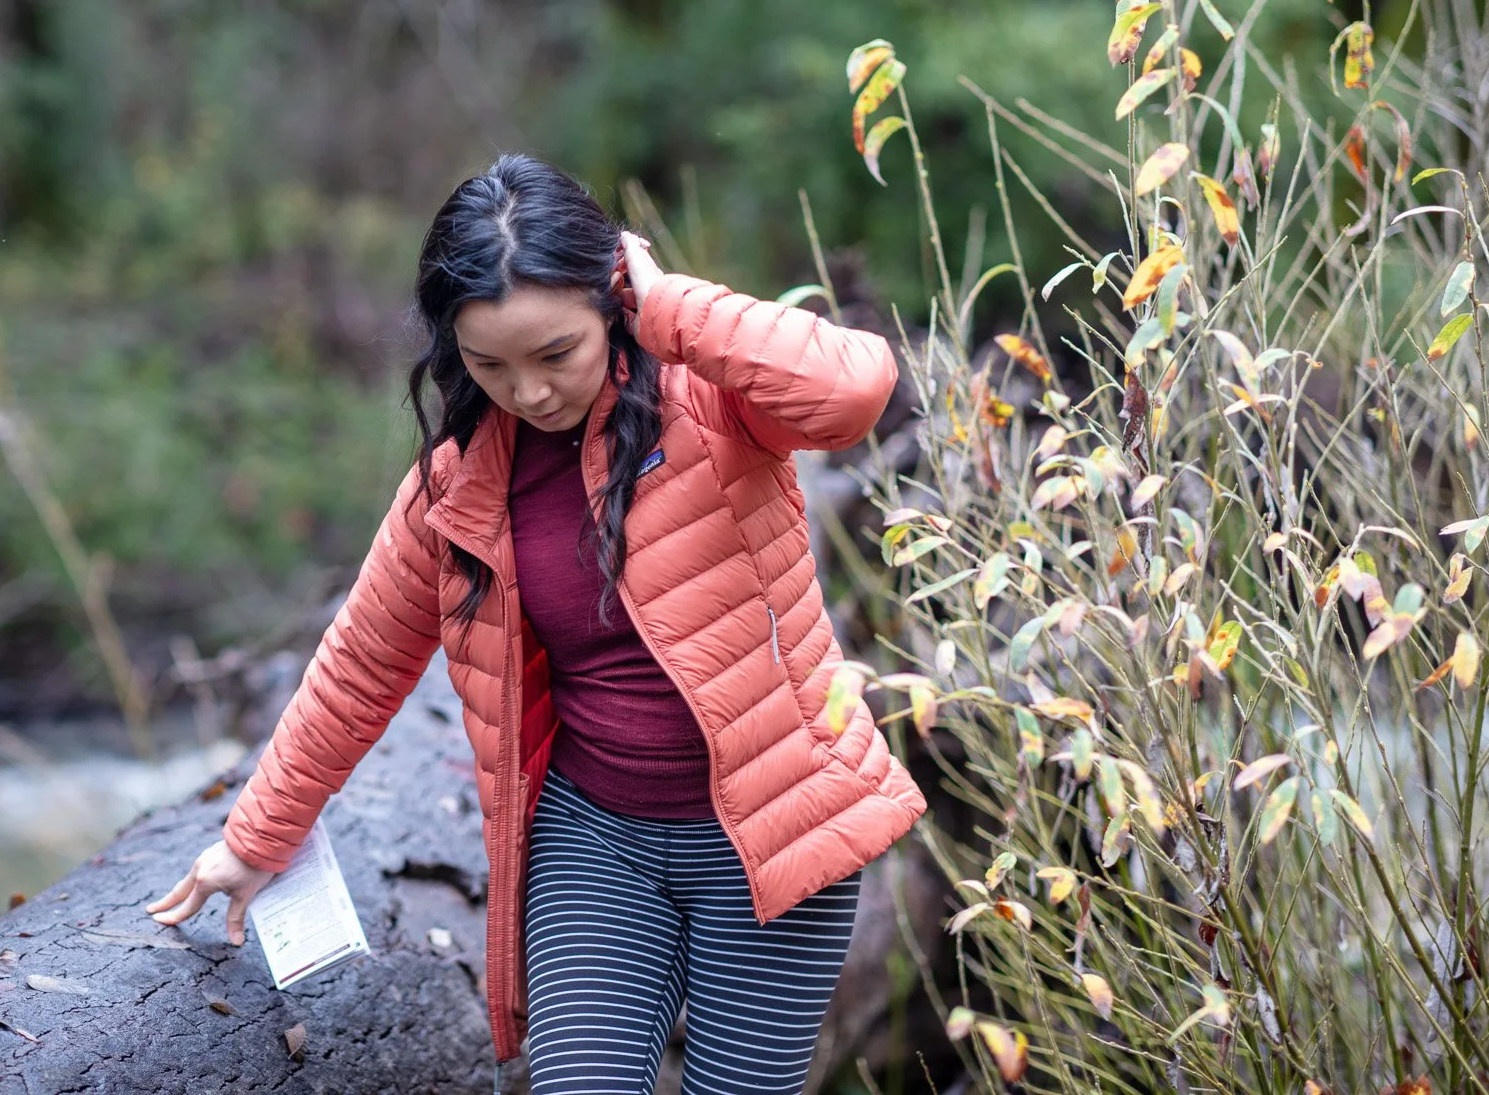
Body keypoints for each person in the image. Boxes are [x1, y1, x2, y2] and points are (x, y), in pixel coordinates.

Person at [146, 153, 928, 1094]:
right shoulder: (455, 488)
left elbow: (854, 390)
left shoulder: (714, 401)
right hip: (593, 839)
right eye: (490, 364)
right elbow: (360, 664)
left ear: (612, 302)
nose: (530, 391)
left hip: (773, 827)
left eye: (556, 352)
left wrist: (669, 302)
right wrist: (255, 836)